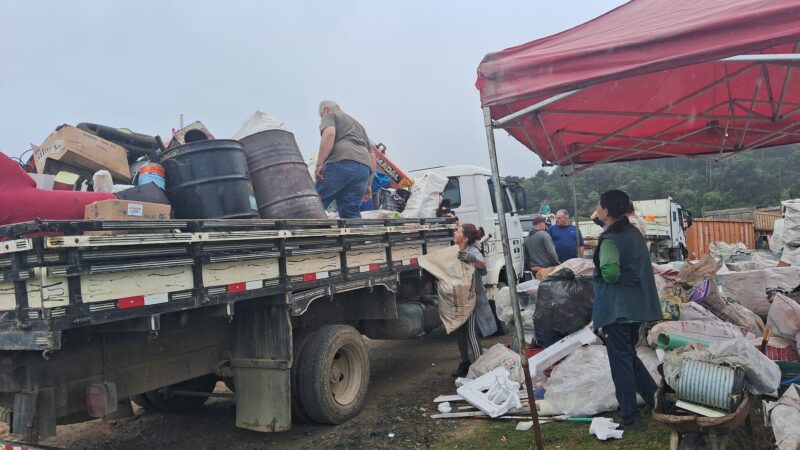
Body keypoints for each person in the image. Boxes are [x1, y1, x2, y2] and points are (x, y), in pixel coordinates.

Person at [592, 190, 662, 431]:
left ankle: (631, 418)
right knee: (629, 357)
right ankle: (656, 400)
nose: (597, 209)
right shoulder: (633, 232)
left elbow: (610, 272)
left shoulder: (611, 239)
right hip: (636, 308)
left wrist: (614, 275)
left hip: (617, 309)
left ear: (607, 210)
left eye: (599, 206)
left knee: (620, 363)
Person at [451, 223, 497, 377]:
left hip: (471, 298)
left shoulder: (473, 251)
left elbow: (482, 265)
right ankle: (465, 362)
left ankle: (480, 367)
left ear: (465, 237)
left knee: (471, 331)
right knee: (459, 331)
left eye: (457, 231)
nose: (454, 233)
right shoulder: (455, 250)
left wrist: (472, 259)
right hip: (458, 298)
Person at [315, 100, 374, 219]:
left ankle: (306, 236)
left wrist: (319, 164)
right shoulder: (359, 126)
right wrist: (368, 184)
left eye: (321, 115)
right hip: (363, 169)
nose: (322, 118)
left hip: (341, 163)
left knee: (314, 202)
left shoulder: (331, 115)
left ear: (325, 110)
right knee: (351, 211)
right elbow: (372, 155)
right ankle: (357, 237)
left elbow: (330, 134)